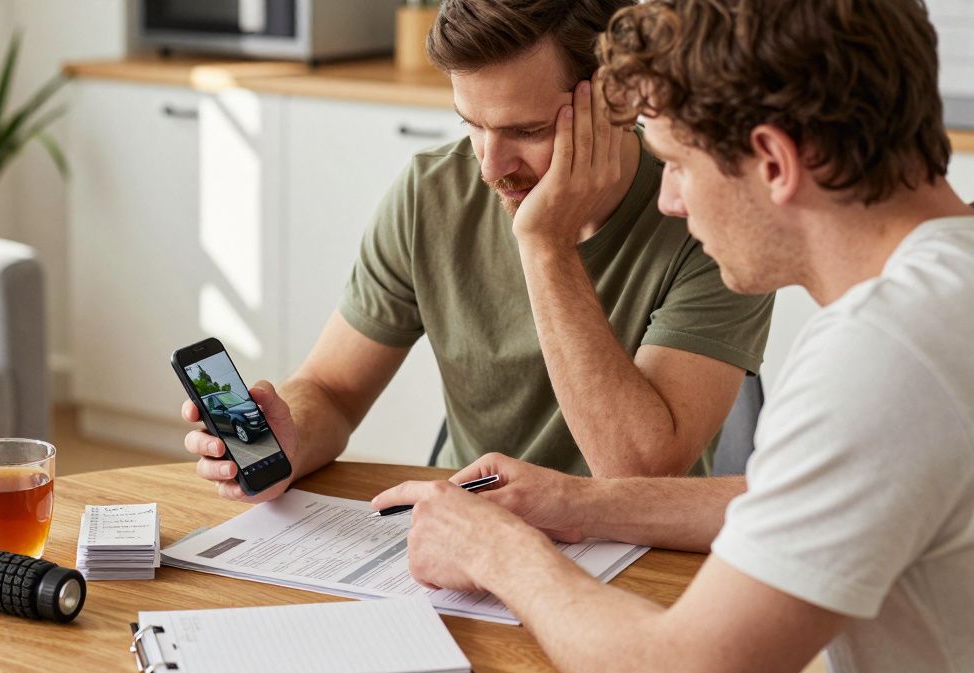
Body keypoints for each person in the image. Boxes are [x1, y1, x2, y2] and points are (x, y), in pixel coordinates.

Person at [374, 0, 974, 673]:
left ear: (774, 161)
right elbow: (809, 496)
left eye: (675, 163)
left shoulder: (884, 356)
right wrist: (576, 505)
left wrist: (500, 553)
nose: (670, 200)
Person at [182, 0, 773, 502]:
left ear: (616, 99)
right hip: (465, 531)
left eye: (528, 131)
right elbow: (333, 391)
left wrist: (546, 244)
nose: (492, 167)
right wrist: (287, 440)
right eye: (472, 124)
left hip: (633, 557)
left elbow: (637, 475)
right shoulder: (430, 194)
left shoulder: (708, 217)